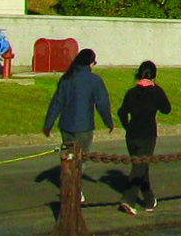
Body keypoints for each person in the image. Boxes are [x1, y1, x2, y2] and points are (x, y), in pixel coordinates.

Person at [116, 61, 171, 213]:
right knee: (139, 167)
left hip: (131, 135)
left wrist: (127, 126)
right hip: (147, 135)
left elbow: (121, 112)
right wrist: (157, 89)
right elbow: (167, 109)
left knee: (140, 167)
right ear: (154, 76)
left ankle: (149, 200)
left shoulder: (131, 92)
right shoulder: (156, 92)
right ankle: (128, 199)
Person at [42, 48, 112, 166]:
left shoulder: (67, 78)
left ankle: (67, 181)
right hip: (84, 127)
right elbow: (103, 104)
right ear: (91, 63)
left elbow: (57, 103)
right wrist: (108, 122)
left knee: (69, 158)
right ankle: (75, 182)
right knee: (81, 159)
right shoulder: (95, 80)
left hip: (66, 126)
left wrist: (48, 125)